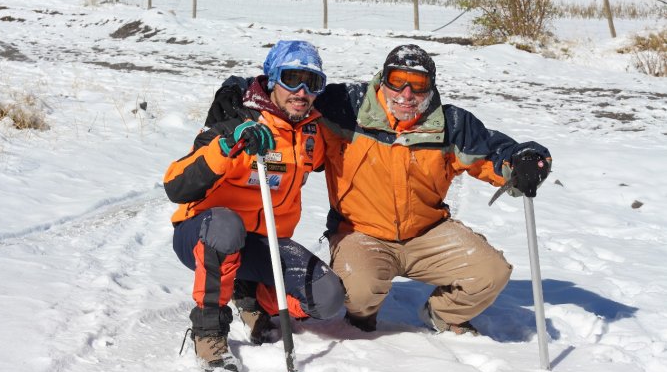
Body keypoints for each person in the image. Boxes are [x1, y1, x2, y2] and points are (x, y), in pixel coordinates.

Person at [208, 44, 552, 336]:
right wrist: (236, 91)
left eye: (417, 85)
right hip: (360, 233)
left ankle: (444, 317)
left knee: (491, 273)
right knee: (357, 294)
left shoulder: (450, 124)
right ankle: (351, 316)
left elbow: (495, 152)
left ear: (430, 87)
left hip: (427, 233)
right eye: (397, 82)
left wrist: (525, 160)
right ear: (383, 80)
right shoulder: (345, 107)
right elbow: (290, 90)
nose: (406, 94)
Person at [163, 40, 345, 372]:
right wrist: (230, 144)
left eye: (313, 82)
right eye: (292, 78)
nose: (302, 91)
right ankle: (209, 331)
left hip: (264, 244)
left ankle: (251, 296)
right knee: (227, 226)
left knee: (328, 298)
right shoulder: (237, 121)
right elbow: (176, 184)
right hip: (204, 235)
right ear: (273, 79)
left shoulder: (312, 132)